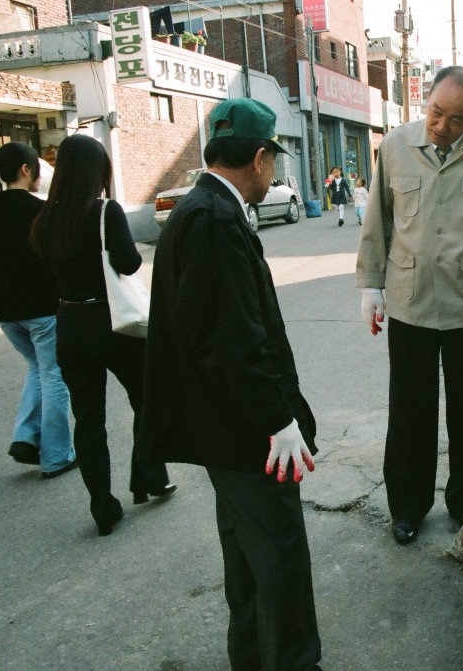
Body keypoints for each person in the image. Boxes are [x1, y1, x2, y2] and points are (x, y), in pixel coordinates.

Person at [140, 98, 321, 671]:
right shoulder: (214, 220)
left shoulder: (203, 209)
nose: (273, 175)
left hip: (227, 425)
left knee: (248, 557)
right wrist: (278, 420)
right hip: (246, 430)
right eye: (274, 163)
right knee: (278, 555)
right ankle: (290, 662)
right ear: (261, 158)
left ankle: (253, 656)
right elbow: (232, 341)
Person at [356, 65, 463, 545]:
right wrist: (371, 285)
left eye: (456, 119)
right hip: (409, 303)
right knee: (410, 412)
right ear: (425, 102)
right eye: (435, 112)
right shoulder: (397, 147)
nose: (441, 126)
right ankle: (407, 506)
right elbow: (378, 220)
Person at [29, 134, 175, 536]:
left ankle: (102, 505)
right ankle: (147, 473)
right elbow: (128, 265)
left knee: (88, 419)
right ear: (98, 172)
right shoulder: (104, 211)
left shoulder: (44, 220)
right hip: (113, 323)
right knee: (146, 397)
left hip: (69, 325)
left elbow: (46, 281)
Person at [0, 143, 76, 476]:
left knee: (37, 368)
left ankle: (25, 437)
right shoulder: (40, 210)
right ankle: (58, 455)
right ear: (25, 170)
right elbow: (52, 262)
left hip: (6, 312)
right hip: (42, 310)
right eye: (37, 169)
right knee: (54, 374)